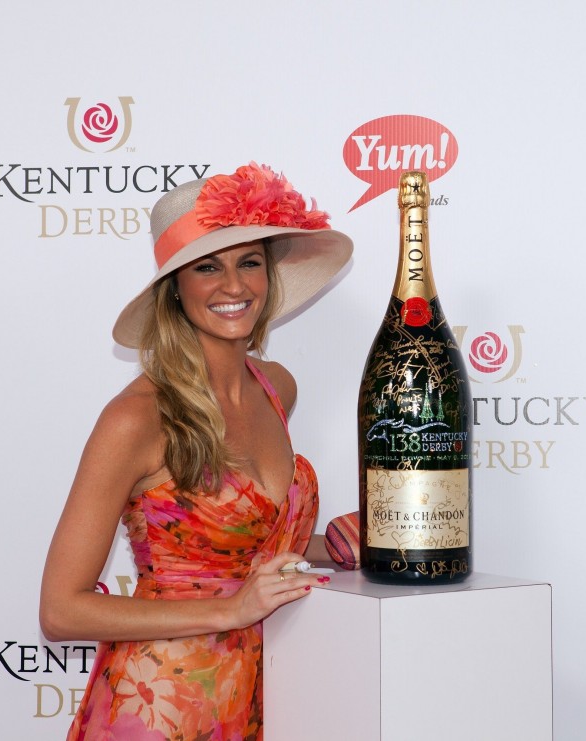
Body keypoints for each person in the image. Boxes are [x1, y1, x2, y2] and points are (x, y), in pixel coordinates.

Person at [40, 162, 353, 740]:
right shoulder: (136, 419)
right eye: (207, 267)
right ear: (174, 289)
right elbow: (62, 610)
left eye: (249, 262)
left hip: (257, 698)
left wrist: (329, 545)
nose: (234, 287)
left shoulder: (276, 388)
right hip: (159, 706)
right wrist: (232, 611)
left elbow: (233, 552)